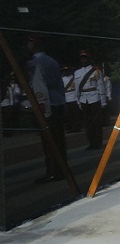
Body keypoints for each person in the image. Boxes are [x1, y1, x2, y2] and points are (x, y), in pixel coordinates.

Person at [26, 37, 68, 183]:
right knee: (59, 140)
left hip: (47, 105)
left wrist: (43, 109)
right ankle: (62, 169)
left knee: (49, 141)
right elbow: (59, 84)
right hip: (57, 102)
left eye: (30, 42)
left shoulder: (34, 63)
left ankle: (53, 171)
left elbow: (39, 87)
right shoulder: (52, 61)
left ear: (34, 45)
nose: (28, 45)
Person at [74, 51, 107, 150]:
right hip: (84, 99)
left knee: (96, 122)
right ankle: (91, 143)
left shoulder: (96, 71)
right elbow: (77, 88)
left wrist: (103, 101)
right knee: (87, 123)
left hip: (95, 98)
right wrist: (78, 101)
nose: (83, 60)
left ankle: (98, 142)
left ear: (89, 59)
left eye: (85, 58)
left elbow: (101, 86)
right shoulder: (77, 72)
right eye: (82, 58)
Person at [62, 66, 82, 133]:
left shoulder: (73, 78)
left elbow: (77, 88)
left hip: (74, 97)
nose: (66, 71)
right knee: (69, 115)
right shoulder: (62, 79)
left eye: (67, 70)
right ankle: (71, 127)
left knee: (75, 114)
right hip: (67, 98)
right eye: (65, 70)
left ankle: (77, 127)